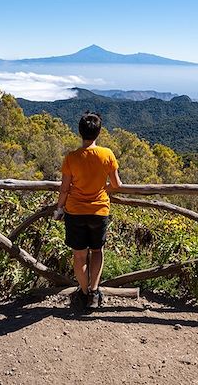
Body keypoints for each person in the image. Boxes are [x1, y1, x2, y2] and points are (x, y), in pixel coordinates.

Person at [53, 112, 122, 308]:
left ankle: (82, 292)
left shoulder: (71, 157)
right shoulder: (107, 154)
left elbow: (64, 188)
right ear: (98, 132)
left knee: (79, 255)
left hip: (75, 212)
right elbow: (116, 184)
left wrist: (59, 208)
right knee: (97, 251)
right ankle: (94, 292)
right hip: (99, 211)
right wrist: (102, 188)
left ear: (80, 132)